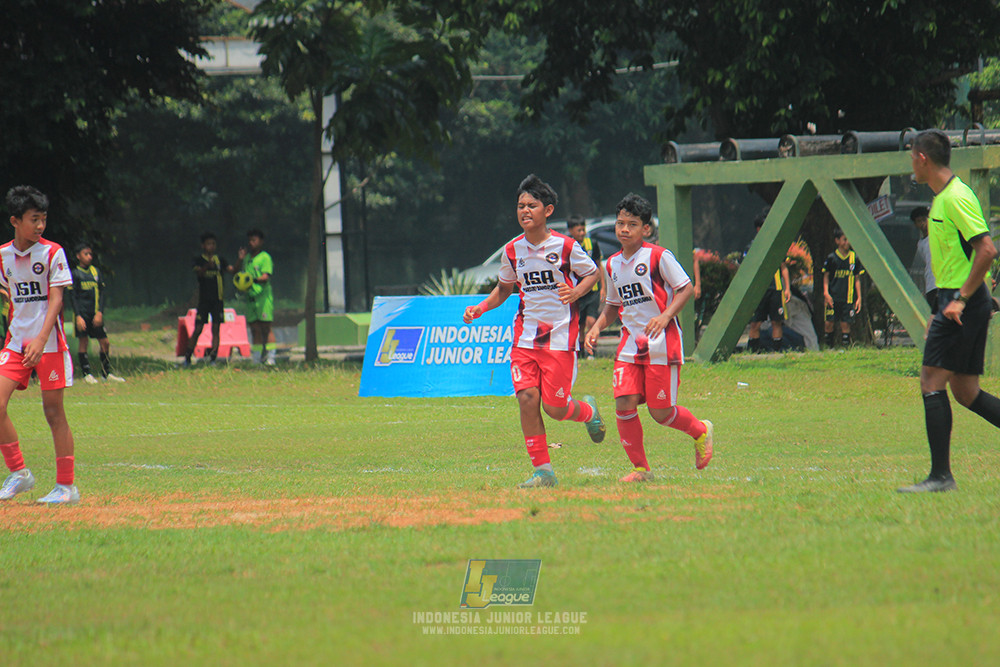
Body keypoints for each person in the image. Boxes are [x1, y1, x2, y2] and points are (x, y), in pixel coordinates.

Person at [463, 174, 606, 488]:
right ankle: (543, 471)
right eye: (520, 206)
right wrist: (480, 308)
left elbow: (593, 273)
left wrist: (577, 292)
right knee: (527, 399)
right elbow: (503, 289)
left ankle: (588, 411)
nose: (525, 211)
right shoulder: (513, 250)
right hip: (525, 338)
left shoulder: (566, 247)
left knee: (555, 408)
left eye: (532, 205)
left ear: (548, 210)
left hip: (559, 338)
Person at [584, 193, 713, 482]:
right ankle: (641, 469)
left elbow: (686, 288)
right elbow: (614, 306)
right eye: (620, 223)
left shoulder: (658, 256)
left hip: (661, 344)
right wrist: (597, 327)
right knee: (624, 403)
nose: (624, 229)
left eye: (632, 224)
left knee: (661, 413)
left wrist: (665, 316)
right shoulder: (612, 265)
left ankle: (700, 430)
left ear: (646, 229)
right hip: (629, 346)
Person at [898, 129, 1000, 493]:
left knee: (930, 382)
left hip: (961, 305)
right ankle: (940, 476)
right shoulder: (942, 198)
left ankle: (941, 477)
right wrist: (947, 303)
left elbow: (986, 249)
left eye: (912, 156)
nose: (910, 162)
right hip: (957, 301)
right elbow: (962, 258)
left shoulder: (956, 197)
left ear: (922, 158)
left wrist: (962, 298)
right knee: (966, 391)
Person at [0, 186, 80, 505]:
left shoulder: (52, 253)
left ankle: (66, 488)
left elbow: (56, 300)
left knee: (53, 412)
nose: (40, 226)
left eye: (43, 219)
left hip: (48, 345)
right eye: (34, 219)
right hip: (17, 343)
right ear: (15, 221)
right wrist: (14, 332)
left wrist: (41, 338)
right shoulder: (3, 256)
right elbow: (10, 298)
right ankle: (19, 474)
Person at [68, 241, 125, 383]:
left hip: (95, 315)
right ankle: (87, 374)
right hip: (82, 314)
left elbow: (102, 294)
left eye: (90, 254)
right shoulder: (75, 274)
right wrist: (78, 316)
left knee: (105, 342)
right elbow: (73, 297)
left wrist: (100, 312)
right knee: (84, 341)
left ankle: (106, 374)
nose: (89, 257)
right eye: (85, 254)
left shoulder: (95, 272)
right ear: (78, 256)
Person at [185, 232, 234, 366]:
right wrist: (208, 266)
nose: (211, 246)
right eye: (208, 244)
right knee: (198, 328)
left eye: (213, 244)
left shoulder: (220, 260)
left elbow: (232, 270)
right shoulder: (199, 260)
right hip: (204, 300)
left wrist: (240, 260)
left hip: (217, 300)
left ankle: (213, 358)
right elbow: (199, 272)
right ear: (203, 246)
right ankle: (187, 357)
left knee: (216, 328)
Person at [746, 209, 791, 352]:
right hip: (758, 291)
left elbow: (783, 267)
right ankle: (754, 352)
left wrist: (787, 288)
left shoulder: (777, 245)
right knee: (755, 323)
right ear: (759, 229)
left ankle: (777, 351)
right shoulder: (752, 247)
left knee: (776, 322)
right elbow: (746, 269)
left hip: (776, 289)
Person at [566, 215, 604, 358]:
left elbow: (599, 266)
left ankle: (592, 350)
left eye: (584, 230)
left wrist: (603, 288)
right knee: (579, 324)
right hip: (577, 291)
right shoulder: (567, 245)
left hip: (593, 290)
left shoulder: (592, 244)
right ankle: (581, 350)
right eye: (579, 230)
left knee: (591, 320)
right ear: (571, 230)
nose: (582, 233)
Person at [237, 228, 275, 365]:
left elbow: (265, 276)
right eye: (250, 240)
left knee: (266, 327)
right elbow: (241, 275)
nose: (251, 243)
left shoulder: (265, 257)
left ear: (261, 242)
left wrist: (252, 280)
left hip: (263, 298)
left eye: (254, 240)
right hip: (250, 298)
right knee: (254, 328)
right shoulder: (247, 258)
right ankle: (257, 358)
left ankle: (271, 357)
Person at [822, 229, 865, 348]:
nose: (847, 242)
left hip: (848, 297)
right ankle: (829, 348)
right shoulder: (832, 258)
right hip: (833, 296)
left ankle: (846, 347)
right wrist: (826, 293)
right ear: (837, 241)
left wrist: (859, 297)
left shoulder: (854, 258)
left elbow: (857, 279)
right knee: (829, 322)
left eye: (848, 239)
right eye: (844, 239)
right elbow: (826, 276)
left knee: (845, 323)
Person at [910, 206, 938, 313]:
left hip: (943, 283)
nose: (922, 223)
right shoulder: (921, 244)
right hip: (931, 284)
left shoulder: (938, 235)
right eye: (918, 221)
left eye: (924, 219)